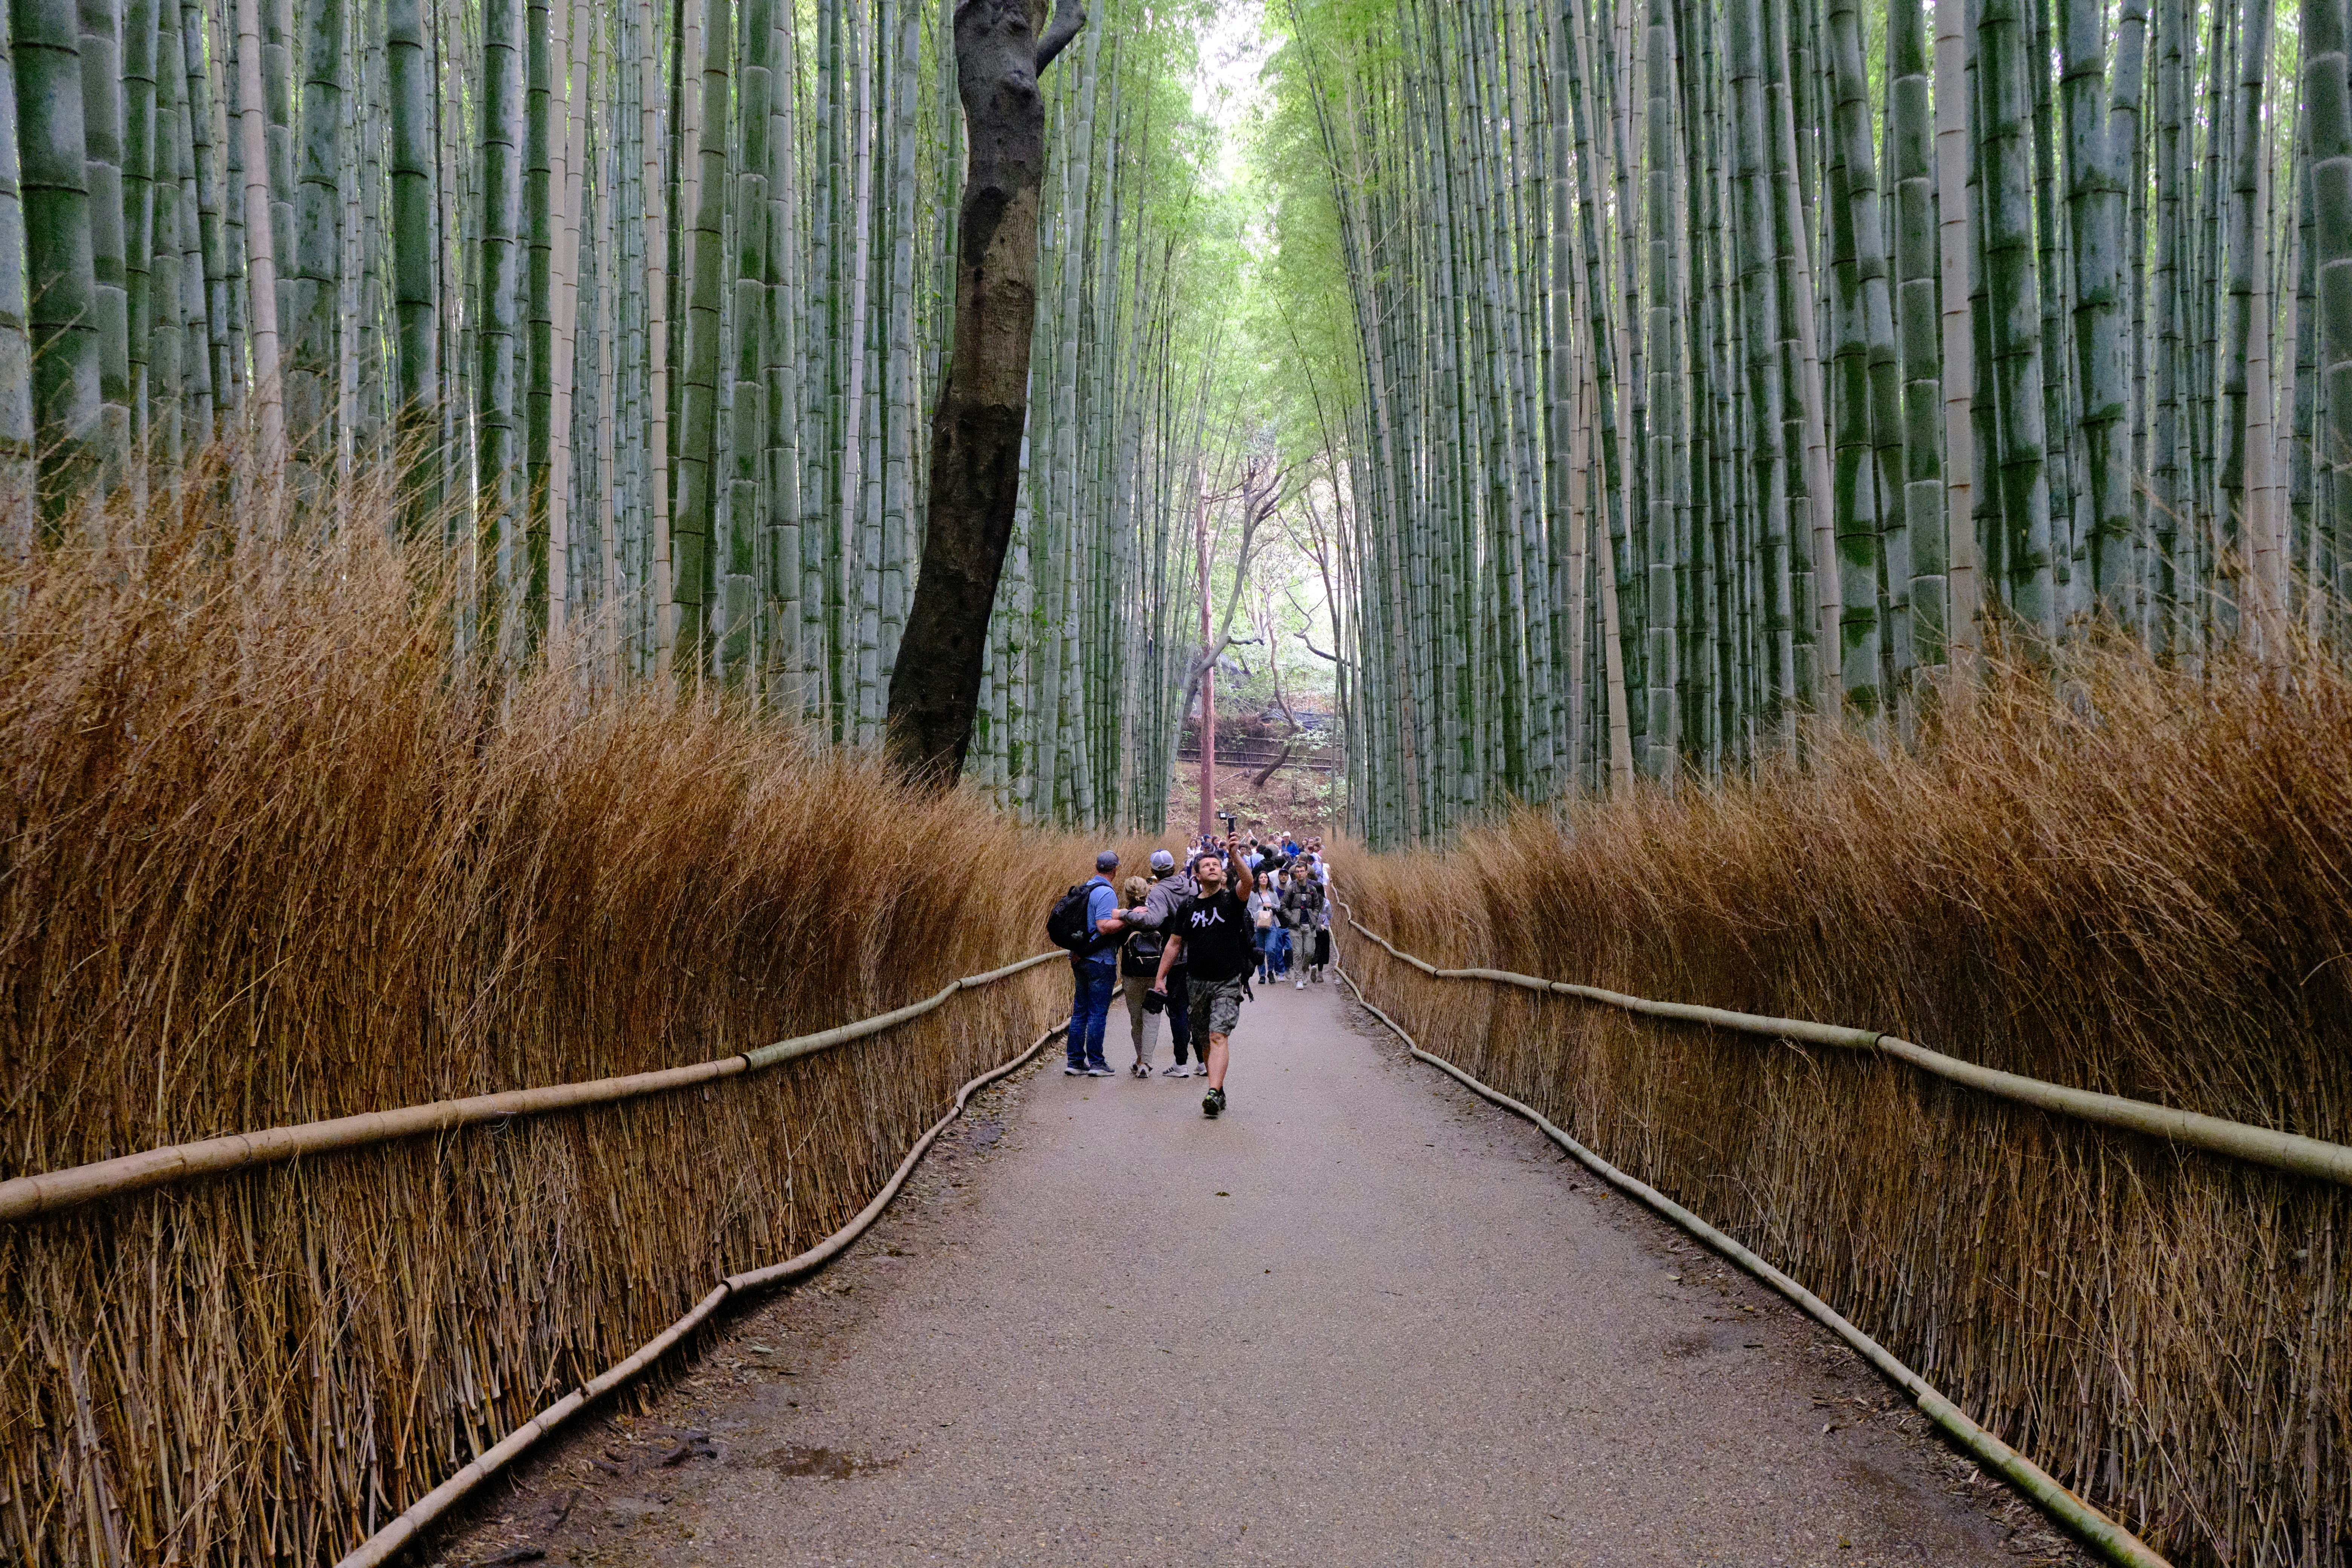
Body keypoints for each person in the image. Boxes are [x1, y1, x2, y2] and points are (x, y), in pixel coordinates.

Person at [1151, 835, 1256, 1119]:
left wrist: (1235, 855)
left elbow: (1248, 883)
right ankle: (1218, 1091)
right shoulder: (1188, 907)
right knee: (1203, 1039)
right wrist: (1160, 978)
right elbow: (1174, 944)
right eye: (1206, 865)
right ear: (1196, 875)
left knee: (1218, 1035)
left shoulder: (1231, 900)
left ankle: (1212, 1091)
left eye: (1216, 865)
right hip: (1195, 981)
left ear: (1222, 872)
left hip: (1227, 980)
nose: (1212, 868)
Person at [1121, 851, 1197, 1077]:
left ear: (1154, 873)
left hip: (1169, 961)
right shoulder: (1191, 887)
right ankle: (1201, 1063)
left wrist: (1125, 914)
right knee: (1189, 1009)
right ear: (1175, 867)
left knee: (1169, 1012)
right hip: (1192, 954)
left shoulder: (1160, 893)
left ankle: (1167, 1063)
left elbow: (1153, 919)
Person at [1064, 850, 1133, 1077]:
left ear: (1097, 867)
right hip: (1100, 960)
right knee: (1097, 1013)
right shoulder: (1105, 892)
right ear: (1115, 870)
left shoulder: (1086, 889)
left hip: (1080, 958)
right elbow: (1104, 926)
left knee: (1081, 1011)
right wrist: (1128, 918)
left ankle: (1075, 1062)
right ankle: (1096, 1063)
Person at [1282, 870, 1323, 988]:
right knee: (1297, 953)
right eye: (1298, 872)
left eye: (1302, 872)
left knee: (1310, 951)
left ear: (1307, 873)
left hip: (1309, 924)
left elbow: (1317, 906)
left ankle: (1305, 969)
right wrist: (1291, 917)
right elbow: (1284, 906)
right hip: (1295, 926)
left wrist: (1314, 918)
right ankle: (1299, 979)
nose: (1300, 874)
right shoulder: (1291, 889)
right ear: (1295, 875)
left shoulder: (1313, 890)